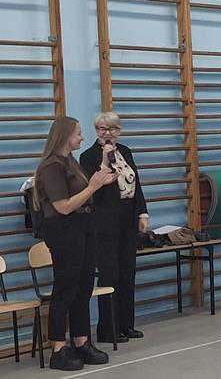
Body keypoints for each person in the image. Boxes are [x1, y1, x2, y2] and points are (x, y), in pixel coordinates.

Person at [34, 117, 118, 371]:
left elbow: (83, 194)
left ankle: (81, 341)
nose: (82, 137)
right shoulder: (51, 167)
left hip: (83, 225)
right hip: (64, 229)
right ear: (65, 136)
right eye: (78, 133)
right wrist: (93, 186)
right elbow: (63, 206)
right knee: (66, 288)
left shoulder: (70, 162)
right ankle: (58, 348)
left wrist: (100, 180)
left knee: (83, 287)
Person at [78, 112, 147, 344]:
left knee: (128, 271)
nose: (107, 133)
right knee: (110, 274)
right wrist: (105, 160)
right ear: (96, 131)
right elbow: (93, 188)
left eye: (111, 129)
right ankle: (108, 329)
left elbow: (136, 183)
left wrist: (142, 213)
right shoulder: (88, 156)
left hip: (127, 217)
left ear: (119, 130)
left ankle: (127, 324)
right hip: (104, 221)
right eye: (102, 129)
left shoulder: (125, 151)